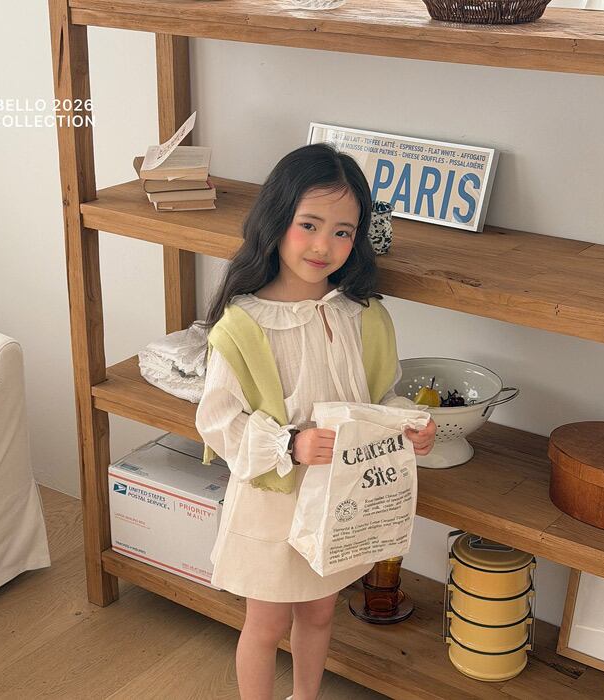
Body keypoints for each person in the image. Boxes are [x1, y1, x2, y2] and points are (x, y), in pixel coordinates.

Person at [194, 142, 436, 700]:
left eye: (343, 231)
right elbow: (219, 421)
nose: (324, 245)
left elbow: (379, 397)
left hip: (338, 501)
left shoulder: (364, 317)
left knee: (321, 613)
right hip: (273, 503)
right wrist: (290, 444)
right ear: (277, 219)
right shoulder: (242, 325)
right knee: (266, 624)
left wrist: (408, 425)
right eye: (309, 224)